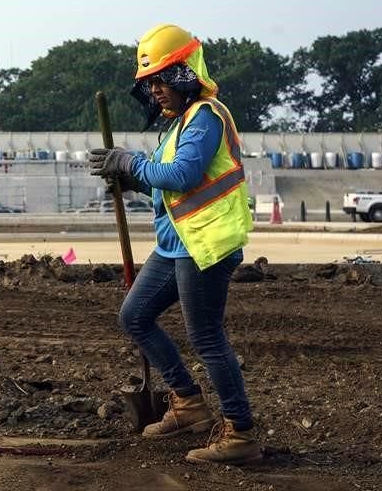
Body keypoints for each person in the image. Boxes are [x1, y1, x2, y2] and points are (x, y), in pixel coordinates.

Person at [89, 24, 261, 464]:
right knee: (135, 316)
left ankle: (240, 433)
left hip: (204, 245)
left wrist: (131, 161)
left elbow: (182, 175)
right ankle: (187, 404)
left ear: (186, 73)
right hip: (175, 245)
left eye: (163, 79)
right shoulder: (177, 124)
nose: (156, 90)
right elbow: (171, 188)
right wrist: (131, 181)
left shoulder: (206, 115)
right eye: (151, 82)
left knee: (206, 337)